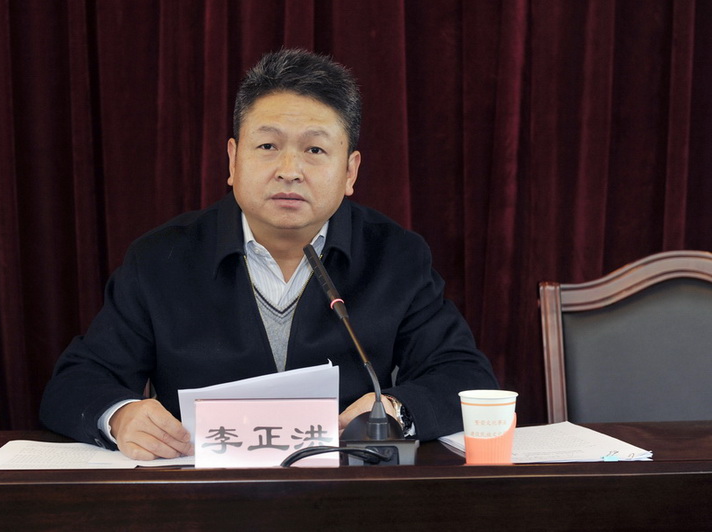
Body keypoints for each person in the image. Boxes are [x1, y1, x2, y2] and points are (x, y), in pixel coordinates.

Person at [40, 48, 498, 460]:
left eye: (314, 149)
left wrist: (396, 409)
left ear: (350, 171)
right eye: (267, 146)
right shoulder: (162, 258)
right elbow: (75, 383)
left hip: (348, 496)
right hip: (200, 499)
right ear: (232, 159)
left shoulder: (395, 256)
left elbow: (464, 375)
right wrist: (120, 416)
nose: (289, 170)